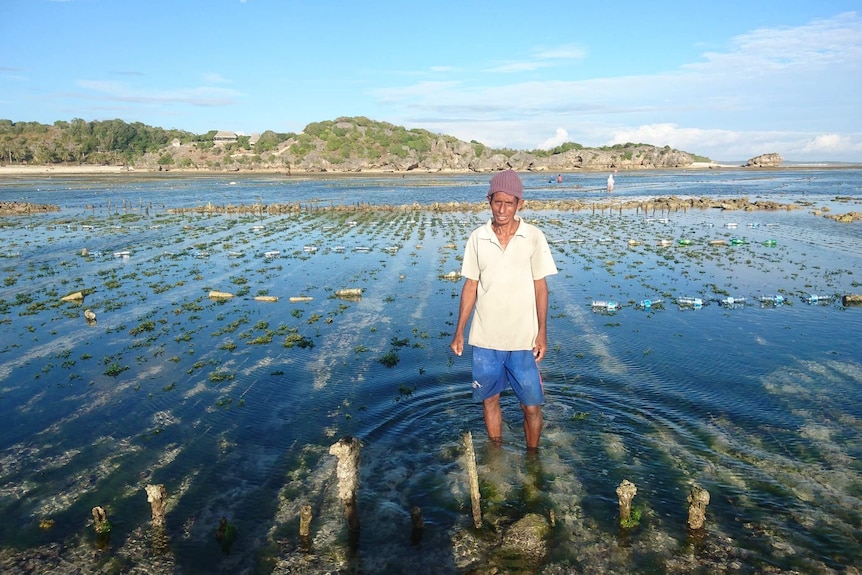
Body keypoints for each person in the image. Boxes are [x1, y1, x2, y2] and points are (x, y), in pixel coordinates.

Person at [450, 169, 558, 451]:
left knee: (532, 406)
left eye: (509, 203)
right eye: (497, 202)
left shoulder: (533, 237)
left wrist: (542, 333)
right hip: (486, 339)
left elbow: (540, 287)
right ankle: (496, 451)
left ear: (519, 204)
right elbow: (470, 285)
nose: (502, 209)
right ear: (489, 201)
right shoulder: (478, 237)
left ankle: (533, 457)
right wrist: (459, 330)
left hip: (523, 339)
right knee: (489, 400)